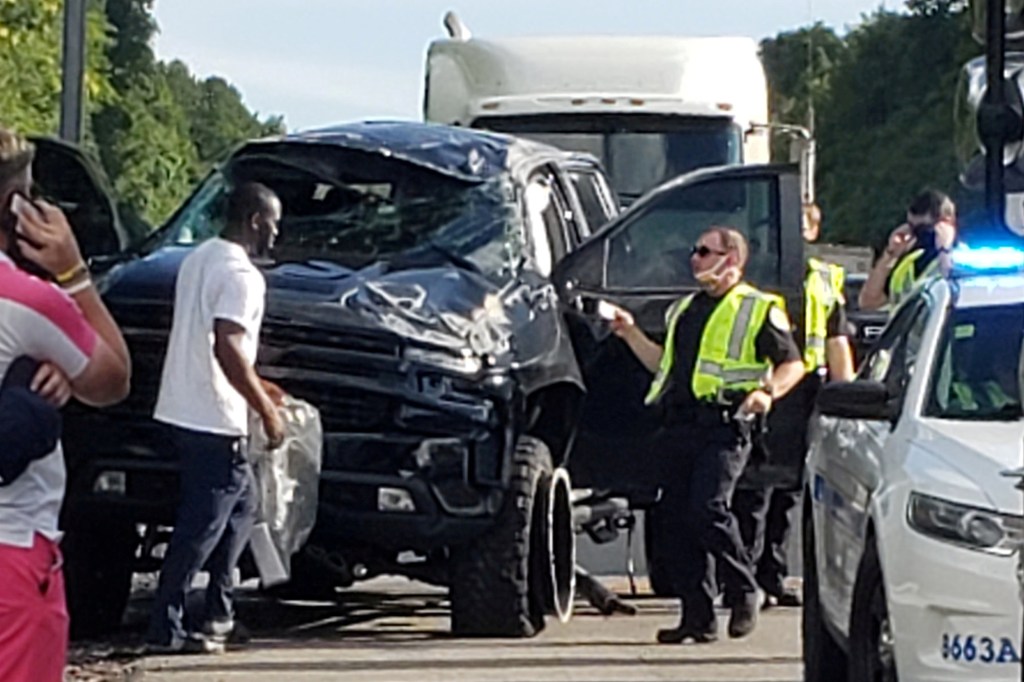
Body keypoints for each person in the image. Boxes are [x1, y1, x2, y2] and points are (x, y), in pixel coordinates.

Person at [605, 227, 805, 644]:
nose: (694, 259)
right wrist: (630, 333)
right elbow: (665, 366)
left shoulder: (758, 307)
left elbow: (792, 364)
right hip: (681, 425)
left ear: (731, 259)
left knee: (708, 508)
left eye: (703, 251)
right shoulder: (684, 310)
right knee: (675, 521)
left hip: (726, 425)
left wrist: (766, 394)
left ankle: (743, 587)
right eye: (693, 251)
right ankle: (697, 617)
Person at [0, 127, 131, 681]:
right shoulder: (28, 303)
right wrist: (74, 275)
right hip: (11, 553)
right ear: (14, 207)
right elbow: (111, 377)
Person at [145, 182, 285, 654]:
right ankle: (166, 628)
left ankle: (220, 611)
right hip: (214, 418)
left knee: (243, 508)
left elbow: (213, 345)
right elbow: (227, 345)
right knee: (200, 527)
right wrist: (265, 411)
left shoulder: (198, 258)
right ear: (254, 221)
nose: (275, 235)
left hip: (181, 406)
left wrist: (260, 386)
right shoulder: (243, 276)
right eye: (273, 224)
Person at [733, 203, 855, 609]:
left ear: (813, 231)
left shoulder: (824, 276)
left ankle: (774, 574)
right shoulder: (756, 276)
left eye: (800, 224)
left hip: (807, 391)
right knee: (753, 490)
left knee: (787, 492)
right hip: (765, 387)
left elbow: (837, 338)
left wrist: (848, 395)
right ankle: (744, 580)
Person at [858, 189, 957, 311]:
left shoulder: (965, 258)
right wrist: (890, 255)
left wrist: (944, 251)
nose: (917, 235)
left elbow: (954, 297)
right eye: (911, 227)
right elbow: (868, 303)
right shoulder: (908, 262)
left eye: (923, 229)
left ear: (946, 223)